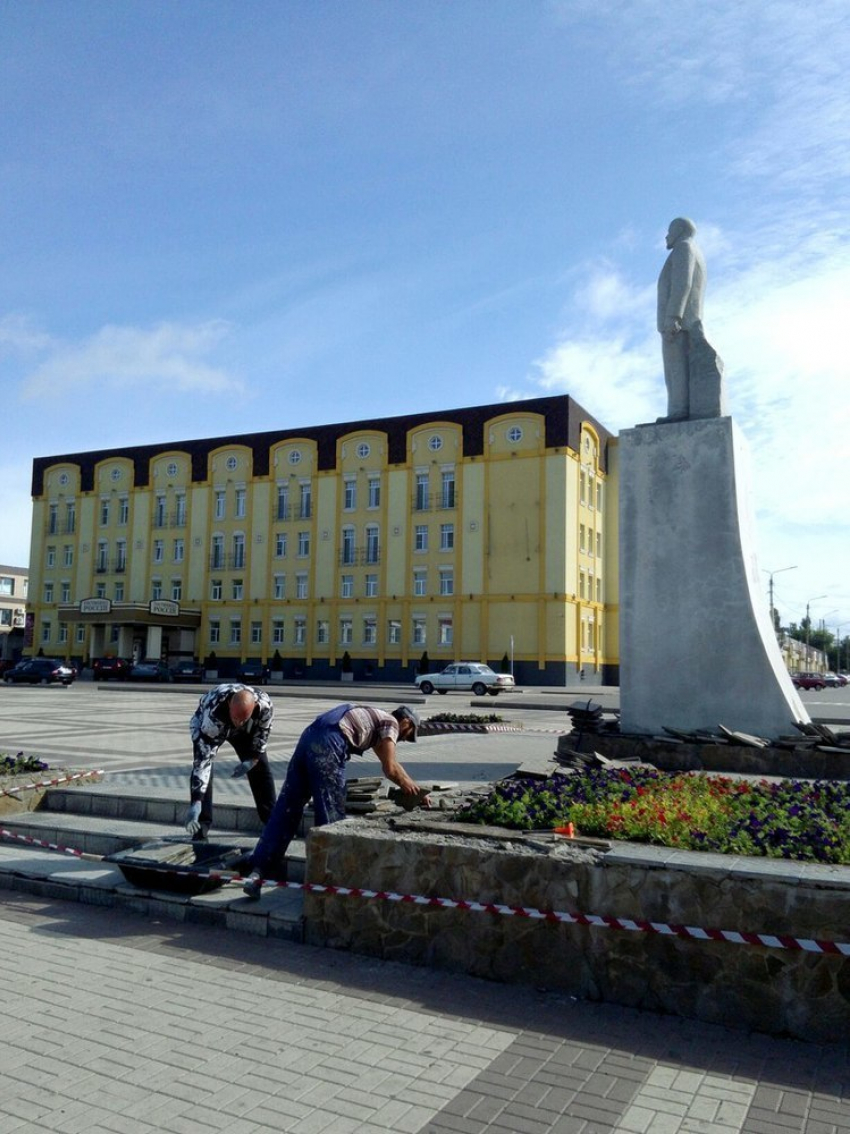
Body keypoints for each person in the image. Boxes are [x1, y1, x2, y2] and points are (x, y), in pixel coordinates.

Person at [242, 703, 425, 898]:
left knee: (287, 810)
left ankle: (258, 872)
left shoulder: (375, 717)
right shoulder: (391, 723)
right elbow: (390, 769)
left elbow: (391, 764)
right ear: (406, 721)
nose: (404, 739)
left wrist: (416, 788)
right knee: (331, 818)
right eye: (409, 733)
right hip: (328, 745)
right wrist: (410, 789)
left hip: (308, 738)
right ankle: (327, 884)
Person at [184, 683, 276, 839]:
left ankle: (274, 823)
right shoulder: (212, 718)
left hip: (245, 728)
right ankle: (201, 826)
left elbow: (261, 737)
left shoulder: (264, 706)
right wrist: (196, 800)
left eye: (242, 719)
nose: (238, 723)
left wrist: (252, 759)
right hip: (210, 723)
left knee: (261, 769)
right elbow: (203, 763)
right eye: (236, 718)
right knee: (205, 774)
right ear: (229, 706)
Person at [656, 216, 724, 422]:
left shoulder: (684, 249)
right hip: (684, 323)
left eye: (670, 230)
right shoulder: (692, 251)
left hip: (678, 324)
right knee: (677, 369)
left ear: (679, 231)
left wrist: (673, 316)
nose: (667, 236)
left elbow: (682, 283)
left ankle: (678, 411)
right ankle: (679, 410)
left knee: (676, 370)